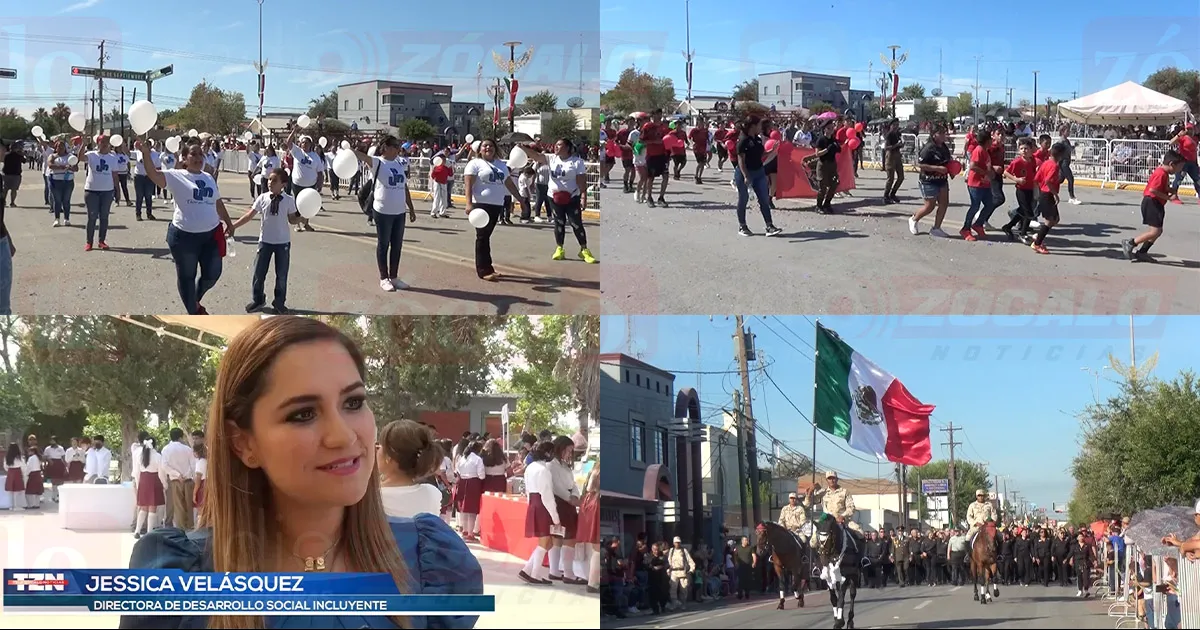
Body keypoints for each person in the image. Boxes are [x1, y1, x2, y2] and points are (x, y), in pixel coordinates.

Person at [121, 316, 483, 630]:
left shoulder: (428, 560)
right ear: (243, 442)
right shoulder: (178, 577)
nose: (343, 436)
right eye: (303, 414)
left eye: (354, 402)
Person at [138, 139, 236, 315]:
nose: (198, 158)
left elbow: (218, 203)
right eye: (193, 154)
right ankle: (194, 311)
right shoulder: (176, 175)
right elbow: (153, 174)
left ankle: (194, 300)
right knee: (187, 277)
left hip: (210, 235)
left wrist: (229, 223)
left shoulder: (208, 178)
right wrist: (145, 153)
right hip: (184, 238)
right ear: (184, 158)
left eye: (200, 154)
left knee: (212, 274)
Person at [230, 167, 301, 313]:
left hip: (282, 243)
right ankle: (258, 299)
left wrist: (302, 217)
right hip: (265, 241)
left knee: (281, 275)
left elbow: (292, 220)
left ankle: (279, 302)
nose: (270, 183)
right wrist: (233, 226)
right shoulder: (262, 198)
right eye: (269, 179)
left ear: (283, 184)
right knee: (259, 272)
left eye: (274, 181)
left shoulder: (289, 200)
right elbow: (249, 215)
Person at [524, 140, 598, 263]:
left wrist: (583, 197)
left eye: (559, 145)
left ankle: (584, 249)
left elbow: (581, 180)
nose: (556, 147)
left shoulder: (576, 162)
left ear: (567, 148)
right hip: (554, 197)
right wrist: (523, 148)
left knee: (576, 223)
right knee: (559, 223)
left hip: (572, 197)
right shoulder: (552, 158)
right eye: (555, 144)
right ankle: (560, 248)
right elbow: (536, 156)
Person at [463, 139, 522, 282]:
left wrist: (521, 199)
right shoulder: (475, 163)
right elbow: (468, 184)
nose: (488, 148)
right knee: (482, 237)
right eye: (485, 146)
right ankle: (483, 270)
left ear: (495, 148)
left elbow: (509, 183)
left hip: (496, 205)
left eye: (491, 145)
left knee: (486, 236)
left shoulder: (500, 165)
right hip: (480, 205)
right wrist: (468, 203)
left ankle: (488, 267)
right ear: (480, 149)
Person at [1122, 150, 1184, 263]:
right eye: (1179, 167)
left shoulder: (1164, 173)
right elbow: (1153, 190)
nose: (1179, 170)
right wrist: (1169, 198)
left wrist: (1172, 190)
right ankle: (1131, 243)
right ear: (1171, 164)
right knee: (1155, 231)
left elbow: (1163, 188)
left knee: (1157, 231)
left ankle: (1143, 252)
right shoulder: (1161, 173)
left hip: (1157, 203)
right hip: (1151, 202)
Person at [377, 419, 443, 518]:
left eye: (379, 447)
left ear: (389, 456)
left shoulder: (372, 498)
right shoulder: (432, 494)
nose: (377, 451)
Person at [519, 440, 561, 585]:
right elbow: (547, 496)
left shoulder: (530, 468)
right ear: (548, 453)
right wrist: (556, 518)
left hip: (533, 503)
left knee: (544, 542)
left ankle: (527, 570)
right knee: (544, 541)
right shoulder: (544, 471)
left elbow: (528, 491)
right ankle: (534, 574)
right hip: (543, 506)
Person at [733, 115, 782, 237]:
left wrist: (771, 151)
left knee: (764, 199)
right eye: (759, 125)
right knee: (743, 199)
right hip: (745, 173)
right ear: (753, 126)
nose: (761, 127)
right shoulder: (743, 140)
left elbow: (760, 154)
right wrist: (745, 176)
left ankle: (769, 226)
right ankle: (742, 226)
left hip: (759, 172)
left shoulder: (758, 139)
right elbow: (741, 160)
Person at [548, 435, 583, 584]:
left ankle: (558, 571)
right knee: (562, 538)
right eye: (568, 450)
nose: (569, 454)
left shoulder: (565, 466)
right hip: (560, 503)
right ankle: (564, 572)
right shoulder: (551, 465)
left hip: (568, 502)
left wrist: (575, 495)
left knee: (564, 537)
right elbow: (556, 487)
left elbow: (573, 484)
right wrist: (570, 499)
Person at [76, 135, 120, 251]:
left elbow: (115, 176)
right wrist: (83, 144)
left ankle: (101, 241)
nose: (105, 144)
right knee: (92, 216)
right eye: (102, 142)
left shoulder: (112, 158)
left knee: (104, 217)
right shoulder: (92, 155)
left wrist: (117, 190)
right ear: (98, 143)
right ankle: (89, 242)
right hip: (92, 190)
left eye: (106, 142)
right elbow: (80, 158)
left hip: (107, 191)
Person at [908, 124, 952, 237]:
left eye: (944, 132)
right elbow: (920, 165)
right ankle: (914, 219)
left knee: (944, 204)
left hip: (942, 180)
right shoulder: (928, 148)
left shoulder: (944, 147)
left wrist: (952, 169)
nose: (944, 135)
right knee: (929, 206)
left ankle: (936, 228)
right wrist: (937, 168)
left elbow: (948, 161)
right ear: (934, 135)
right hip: (928, 181)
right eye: (941, 133)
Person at [161, 427, 196, 531]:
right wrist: (185, 475)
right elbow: (193, 465)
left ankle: (181, 529)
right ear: (181, 437)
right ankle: (190, 528)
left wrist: (177, 475)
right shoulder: (188, 449)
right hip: (188, 480)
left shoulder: (166, 449)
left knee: (178, 507)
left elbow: (164, 466)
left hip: (175, 481)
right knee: (189, 505)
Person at [961, 129, 993, 241]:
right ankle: (965, 229)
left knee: (990, 204)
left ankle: (978, 224)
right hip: (975, 184)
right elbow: (973, 166)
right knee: (975, 206)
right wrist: (985, 173)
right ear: (987, 140)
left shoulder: (985, 151)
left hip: (985, 184)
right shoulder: (978, 150)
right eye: (990, 139)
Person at [133, 437, 165, 538]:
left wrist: (138, 484)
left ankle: (137, 531)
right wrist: (164, 484)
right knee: (152, 508)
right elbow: (161, 473)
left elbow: (137, 472)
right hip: (154, 481)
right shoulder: (158, 456)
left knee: (143, 507)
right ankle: (149, 532)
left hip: (143, 480)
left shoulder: (140, 455)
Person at [812, 121, 841, 213]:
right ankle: (819, 206)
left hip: (832, 164)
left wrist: (837, 147)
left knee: (834, 183)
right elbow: (817, 154)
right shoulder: (821, 140)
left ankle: (827, 204)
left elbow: (839, 149)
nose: (831, 130)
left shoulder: (833, 139)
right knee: (822, 186)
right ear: (824, 129)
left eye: (832, 128)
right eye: (829, 128)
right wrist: (827, 150)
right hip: (823, 164)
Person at [46, 141, 76, 227]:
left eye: (62, 146)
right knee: (57, 201)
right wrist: (62, 167)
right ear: (56, 148)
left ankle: (66, 219)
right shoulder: (52, 156)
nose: (61, 148)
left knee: (66, 201)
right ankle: (57, 219)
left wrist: (71, 167)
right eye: (59, 146)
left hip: (68, 182)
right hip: (55, 182)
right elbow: (50, 165)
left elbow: (76, 168)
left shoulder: (70, 156)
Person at [1168, 123, 1199, 204]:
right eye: (1188, 129)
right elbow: (1171, 143)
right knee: (1178, 179)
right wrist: (1178, 135)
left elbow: (1194, 152)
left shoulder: (1195, 139)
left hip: (1193, 163)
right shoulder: (1183, 137)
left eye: (1191, 129)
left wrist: (1196, 163)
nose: (1189, 131)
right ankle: (1174, 195)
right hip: (1183, 162)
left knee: (1197, 180)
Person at [666, 536, 695, 611]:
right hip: (674, 572)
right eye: (676, 542)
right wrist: (668, 570)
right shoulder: (671, 551)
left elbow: (690, 561)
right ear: (673, 543)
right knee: (673, 589)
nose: (677, 544)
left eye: (678, 542)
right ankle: (674, 604)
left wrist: (691, 570)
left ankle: (683, 604)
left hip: (683, 572)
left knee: (683, 589)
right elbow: (669, 561)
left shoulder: (684, 551)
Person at [881, 119, 904, 203]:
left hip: (897, 156)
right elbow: (886, 147)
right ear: (890, 126)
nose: (896, 127)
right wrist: (896, 145)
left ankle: (893, 194)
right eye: (894, 125)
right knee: (890, 178)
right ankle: (886, 196)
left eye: (897, 125)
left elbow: (899, 144)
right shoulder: (889, 135)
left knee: (901, 177)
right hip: (890, 156)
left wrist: (901, 145)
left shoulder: (897, 134)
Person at [1069, 531, 1096, 597]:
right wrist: (1067, 559)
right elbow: (1071, 553)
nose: (1081, 538)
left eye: (1082, 536)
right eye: (1079, 537)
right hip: (1077, 562)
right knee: (1079, 576)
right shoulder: (1075, 546)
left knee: (1086, 577)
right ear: (1077, 538)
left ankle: (1086, 590)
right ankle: (1080, 590)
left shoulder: (1087, 545)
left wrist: (1094, 560)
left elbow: (1091, 554)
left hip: (1085, 562)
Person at [41, 436, 65, 503]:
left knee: (59, 481)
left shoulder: (60, 448)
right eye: (51, 440)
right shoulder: (47, 449)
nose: (51, 442)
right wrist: (47, 461)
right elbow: (44, 457)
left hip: (59, 464)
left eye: (53, 440)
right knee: (53, 480)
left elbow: (63, 457)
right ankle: (54, 496)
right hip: (52, 464)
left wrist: (65, 466)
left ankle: (58, 495)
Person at [4, 443, 24, 509]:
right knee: (17, 490)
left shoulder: (7, 457)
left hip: (10, 472)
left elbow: (5, 466)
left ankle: (11, 506)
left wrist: (9, 471)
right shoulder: (19, 457)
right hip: (17, 472)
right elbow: (22, 466)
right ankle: (16, 506)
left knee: (11, 490)